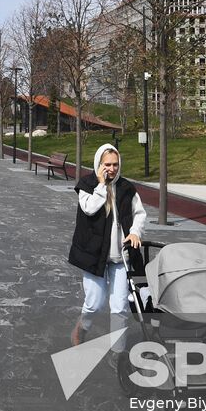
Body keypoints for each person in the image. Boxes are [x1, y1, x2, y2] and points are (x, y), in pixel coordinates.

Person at [68, 143, 146, 350]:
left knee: (119, 308)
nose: (112, 169)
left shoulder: (127, 188)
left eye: (115, 164)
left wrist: (135, 231)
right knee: (94, 303)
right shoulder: (86, 184)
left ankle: (117, 352)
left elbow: (139, 213)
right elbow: (89, 209)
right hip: (94, 255)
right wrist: (101, 185)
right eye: (107, 164)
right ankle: (82, 328)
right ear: (99, 164)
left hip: (121, 257)